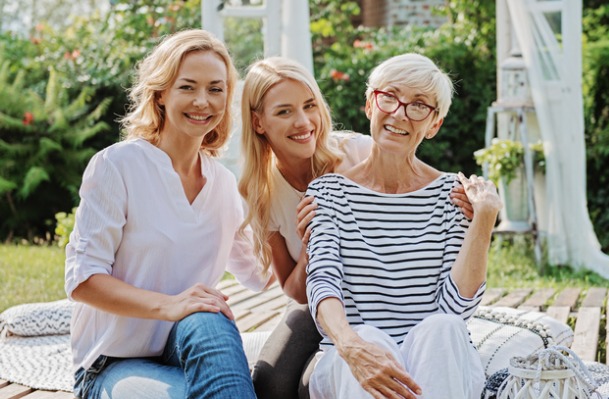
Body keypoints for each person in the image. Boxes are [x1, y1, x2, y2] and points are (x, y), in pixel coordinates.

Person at [238, 56, 475, 399]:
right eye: (284, 111)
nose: (303, 121)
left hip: (382, 302)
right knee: (270, 382)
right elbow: (296, 290)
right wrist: (316, 242)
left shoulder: (356, 150)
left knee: (412, 339)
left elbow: (412, 187)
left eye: (309, 106)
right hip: (318, 302)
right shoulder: (262, 192)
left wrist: (468, 203)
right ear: (259, 122)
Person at [64, 29, 268, 399]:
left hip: (185, 345)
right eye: (187, 87)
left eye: (216, 89)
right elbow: (83, 280)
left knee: (209, 316)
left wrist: (297, 202)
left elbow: (259, 275)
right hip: (111, 362)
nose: (203, 101)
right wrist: (171, 305)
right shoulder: (117, 165)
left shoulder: (223, 183)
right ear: (161, 94)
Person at [305, 53, 503, 399]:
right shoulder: (328, 193)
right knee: (370, 339)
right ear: (370, 104)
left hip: (435, 363)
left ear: (434, 125)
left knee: (442, 329)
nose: (399, 113)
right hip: (350, 359)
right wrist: (352, 345)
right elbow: (323, 283)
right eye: (390, 97)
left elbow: (456, 310)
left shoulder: (451, 196)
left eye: (419, 106)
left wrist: (484, 218)